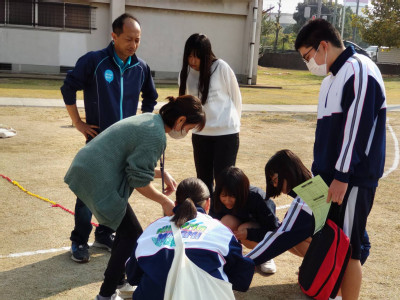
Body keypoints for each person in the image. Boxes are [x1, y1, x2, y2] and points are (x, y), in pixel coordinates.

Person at [64, 95, 206, 300]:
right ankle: (106, 294)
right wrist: (164, 201)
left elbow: (132, 161)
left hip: (89, 167)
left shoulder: (150, 120)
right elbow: (138, 180)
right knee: (131, 234)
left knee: (127, 233)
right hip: (96, 176)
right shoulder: (155, 135)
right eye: (190, 128)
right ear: (181, 120)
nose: (187, 132)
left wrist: (161, 174)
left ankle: (119, 279)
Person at [295, 19, 386, 300]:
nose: (309, 63)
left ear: (323, 45)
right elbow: (327, 135)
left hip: (351, 180)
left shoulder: (359, 69)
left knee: (350, 249)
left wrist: (342, 176)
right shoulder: (331, 79)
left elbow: (356, 130)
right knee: (334, 242)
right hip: (330, 179)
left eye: (308, 56)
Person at [61, 13, 158, 263]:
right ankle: (79, 240)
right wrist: (78, 123)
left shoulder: (141, 67)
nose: (133, 45)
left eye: (137, 40)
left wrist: (143, 123)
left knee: (120, 190)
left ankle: (104, 234)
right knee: (87, 192)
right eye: (128, 39)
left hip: (127, 143)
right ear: (113, 36)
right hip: (99, 141)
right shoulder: (95, 61)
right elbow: (68, 87)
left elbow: (151, 97)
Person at [125, 177, 255, 299]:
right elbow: (241, 280)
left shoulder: (152, 229)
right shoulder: (220, 231)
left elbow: (132, 276)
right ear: (208, 204)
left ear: (176, 203)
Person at [246, 150, 371, 271]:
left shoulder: (306, 199)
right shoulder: (314, 178)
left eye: (275, 180)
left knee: (289, 232)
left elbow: (280, 237)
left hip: (352, 252)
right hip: (357, 245)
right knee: (293, 231)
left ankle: (325, 270)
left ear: (288, 173)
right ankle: (318, 267)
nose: (274, 185)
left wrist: (244, 261)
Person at [178, 33, 242, 201]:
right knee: (203, 182)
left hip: (226, 135)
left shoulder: (221, 68)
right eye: (189, 56)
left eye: (197, 56)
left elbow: (236, 98)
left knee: (224, 182)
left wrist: (234, 125)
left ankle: (222, 220)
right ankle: (207, 219)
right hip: (201, 135)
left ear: (206, 55)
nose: (192, 60)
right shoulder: (184, 74)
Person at [213, 166, 280, 274]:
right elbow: (213, 223)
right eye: (223, 195)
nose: (227, 201)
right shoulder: (217, 198)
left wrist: (249, 234)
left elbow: (273, 230)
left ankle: (265, 255)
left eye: (232, 196)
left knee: (244, 228)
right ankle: (232, 253)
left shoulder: (258, 198)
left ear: (241, 191)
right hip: (238, 224)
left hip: (258, 228)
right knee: (225, 223)